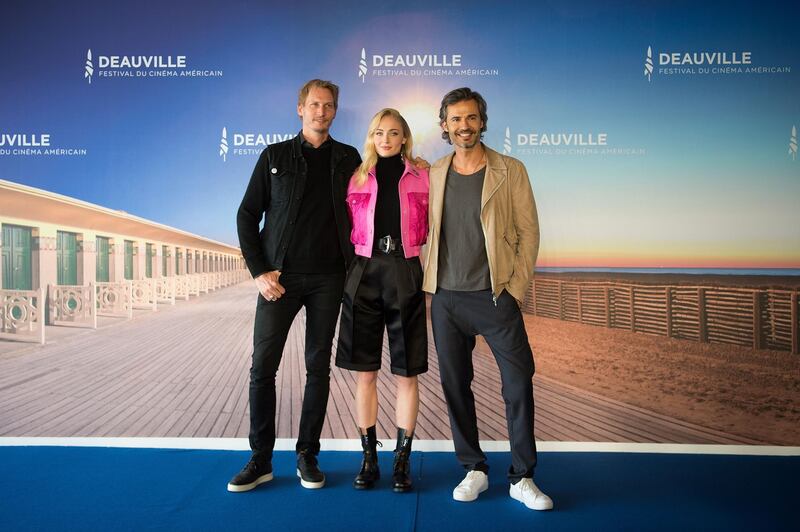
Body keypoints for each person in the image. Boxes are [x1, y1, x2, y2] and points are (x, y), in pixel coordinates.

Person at [422, 87, 553, 510]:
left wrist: (514, 290)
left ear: (482, 121)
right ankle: (473, 468)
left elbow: (529, 231)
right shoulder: (435, 172)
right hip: (445, 299)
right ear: (445, 125)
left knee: (517, 384)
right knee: (455, 385)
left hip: (495, 297)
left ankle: (522, 477)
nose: (465, 126)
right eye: (456, 119)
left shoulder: (510, 169)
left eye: (472, 118)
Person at [230, 79, 361, 492]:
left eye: (329, 106)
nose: (321, 111)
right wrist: (259, 270)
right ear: (300, 109)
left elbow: (368, 208)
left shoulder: (349, 158)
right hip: (280, 280)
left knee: (317, 368)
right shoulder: (275, 156)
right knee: (262, 368)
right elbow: (247, 215)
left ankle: (307, 456)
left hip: (328, 279)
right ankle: (261, 460)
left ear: (336, 111)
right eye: (314, 105)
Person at [336, 108, 429, 492]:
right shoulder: (358, 176)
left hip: (405, 271)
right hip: (364, 272)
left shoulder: (424, 175)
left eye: (393, 133)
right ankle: (369, 458)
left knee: (407, 373)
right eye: (378, 132)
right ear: (371, 137)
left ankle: (401, 462)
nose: (386, 139)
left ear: (404, 137)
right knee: (366, 373)